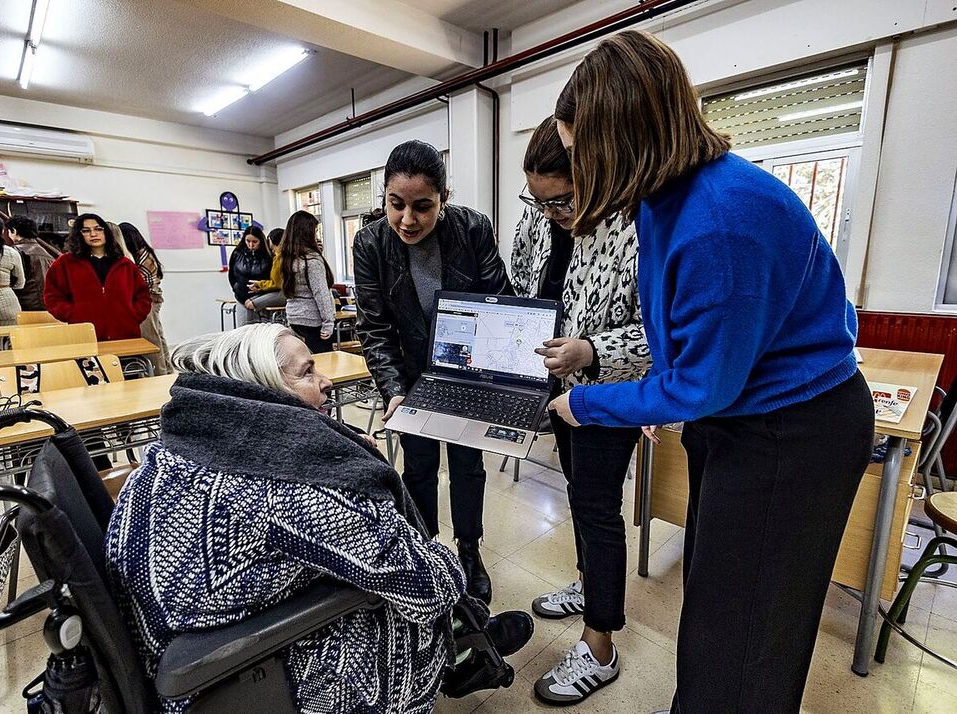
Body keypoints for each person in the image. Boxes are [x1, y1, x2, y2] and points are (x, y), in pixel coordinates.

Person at [547, 31, 874, 713]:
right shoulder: (666, 199)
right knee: (717, 614)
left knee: (744, 634)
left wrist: (593, 405)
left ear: (619, 141)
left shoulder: (718, 219)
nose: (578, 181)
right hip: (741, 419)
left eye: (582, 156)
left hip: (791, 432)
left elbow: (701, 383)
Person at [105, 324, 534, 713]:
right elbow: (430, 585)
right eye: (308, 373)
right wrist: (355, 471)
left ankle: (462, 641)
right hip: (238, 672)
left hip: (180, 646)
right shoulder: (289, 489)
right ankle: (454, 658)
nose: (327, 382)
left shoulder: (185, 443)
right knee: (417, 586)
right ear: (268, 388)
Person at [510, 116, 651, 704]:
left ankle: (601, 645)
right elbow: (520, 278)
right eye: (539, 202)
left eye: (562, 201)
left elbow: (662, 335)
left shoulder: (637, 226)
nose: (550, 215)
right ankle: (592, 584)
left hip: (606, 394)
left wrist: (591, 349)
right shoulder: (540, 219)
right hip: (558, 390)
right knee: (577, 494)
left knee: (597, 507)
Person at [353, 140, 512, 605]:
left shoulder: (472, 229)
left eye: (423, 207)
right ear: (383, 198)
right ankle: (424, 552)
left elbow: (497, 302)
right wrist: (393, 390)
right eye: (395, 205)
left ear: (445, 198)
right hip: (408, 377)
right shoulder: (370, 242)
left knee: (468, 465)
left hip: (465, 372)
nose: (407, 220)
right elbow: (374, 327)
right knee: (418, 468)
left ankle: (468, 551)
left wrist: (498, 379)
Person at [43, 213, 151, 340]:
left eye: (98, 229)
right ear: (79, 234)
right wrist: (73, 314)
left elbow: (142, 296)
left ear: (106, 232)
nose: (93, 234)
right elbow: (52, 296)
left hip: (125, 335)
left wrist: (133, 315)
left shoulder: (125, 264)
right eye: (86, 231)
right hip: (85, 335)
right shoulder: (64, 263)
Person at [273, 210, 336, 353]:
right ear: (308, 233)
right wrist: (328, 322)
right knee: (324, 366)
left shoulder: (286, 258)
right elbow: (321, 292)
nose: (317, 235)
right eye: (315, 231)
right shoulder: (312, 260)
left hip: (294, 318)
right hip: (313, 321)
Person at [119, 222, 171, 375]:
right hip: (151, 299)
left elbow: (142, 284)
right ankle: (166, 369)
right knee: (158, 335)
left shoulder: (143, 257)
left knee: (151, 338)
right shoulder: (142, 254)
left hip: (149, 300)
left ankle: (159, 373)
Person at [6, 215, 60, 312]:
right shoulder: (48, 253)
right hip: (49, 307)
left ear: (14, 231)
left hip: (24, 307)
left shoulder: (14, 252)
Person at [227, 226, 272, 327]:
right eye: (248, 241)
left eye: (255, 242)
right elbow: (232, 276)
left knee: (260, 331)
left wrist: (261, 290)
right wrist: (237, 290)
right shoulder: (237, 253)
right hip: (241, 297)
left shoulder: (269, 256)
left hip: (261, 298)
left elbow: (272, 279)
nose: (251, 245)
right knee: (243, 330)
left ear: (261, 241)